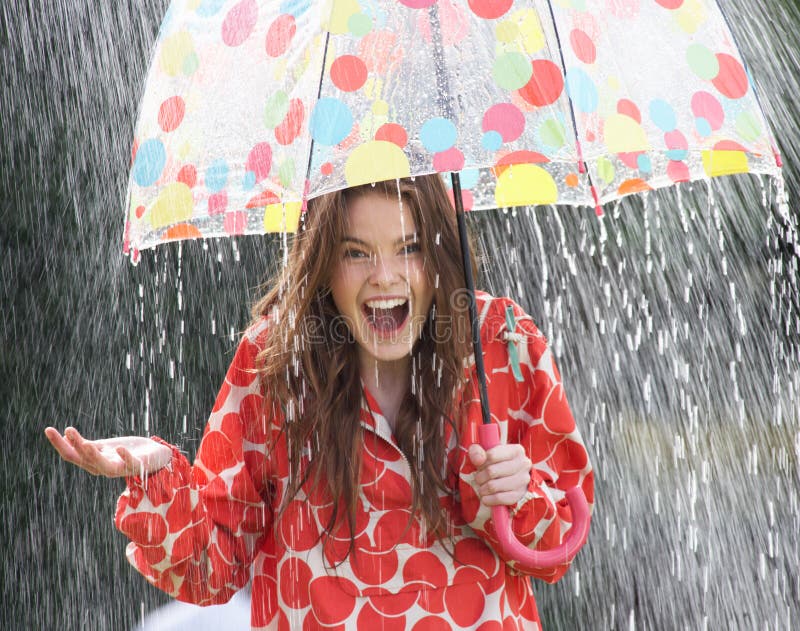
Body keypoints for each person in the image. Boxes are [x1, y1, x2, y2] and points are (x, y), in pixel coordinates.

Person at [45, 174, 593, 630]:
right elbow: (211, 569)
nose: (385, 276)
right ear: (323, 262)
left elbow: (562, 542)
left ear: (442, 250)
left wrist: (512, 497)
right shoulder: (276, 359)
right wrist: (159, 478)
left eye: (410, 247)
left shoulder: (501, 341)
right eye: (357, 253)